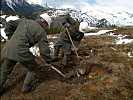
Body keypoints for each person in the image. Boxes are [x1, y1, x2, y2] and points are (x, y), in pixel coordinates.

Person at [0, 13, 52, 93]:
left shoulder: (24, 21)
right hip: (21, 51)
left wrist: (11, 37)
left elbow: (9, 24)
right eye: (47, 25)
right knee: (33, 67)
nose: (46, 28)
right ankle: (26, 87)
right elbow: (44, 50)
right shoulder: (41, 33)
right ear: (44, 23)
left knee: (4, 70)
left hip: (9, 47)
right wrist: (48, 61)